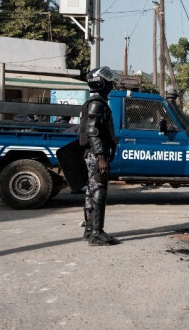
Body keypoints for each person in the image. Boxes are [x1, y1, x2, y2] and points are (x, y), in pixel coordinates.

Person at [79, 66, 119, 246]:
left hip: (92, 154)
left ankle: (89, 231)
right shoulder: (97, 103)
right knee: (98, 192)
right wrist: (101, 157)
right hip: (96, 155)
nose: (111, 84)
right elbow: (92, 130)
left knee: (90, 192)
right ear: (99, 82)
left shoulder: (95, 101)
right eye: (108, 81)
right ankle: (96, 233)